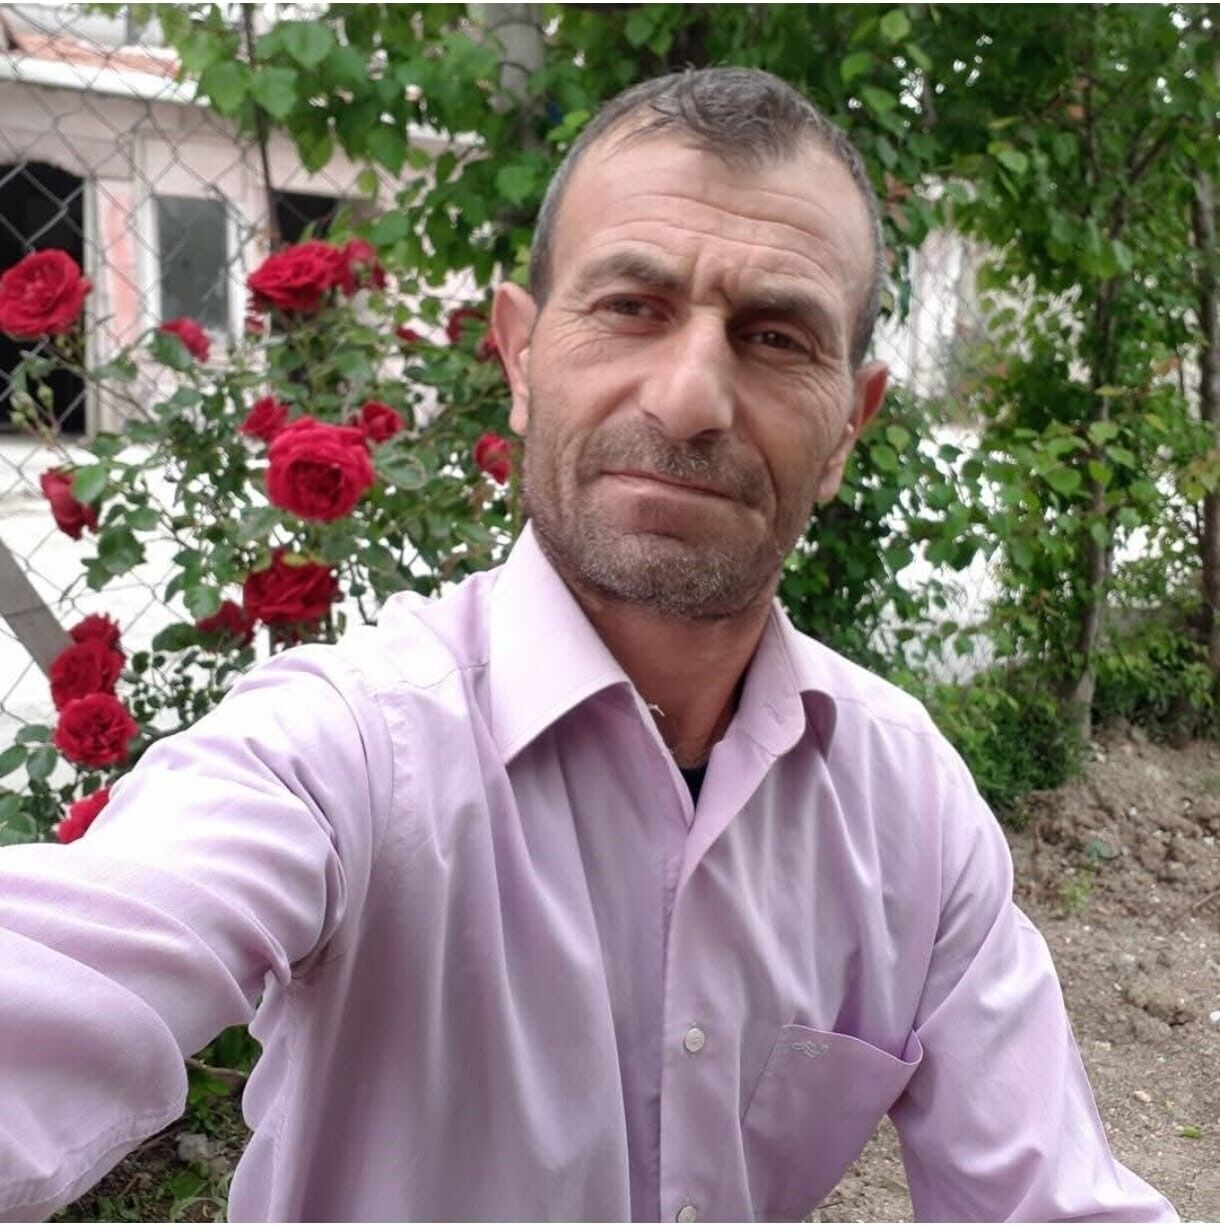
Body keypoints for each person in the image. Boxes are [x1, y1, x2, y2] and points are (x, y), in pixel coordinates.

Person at [0, 67, 1175, 1223]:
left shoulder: (905, 802)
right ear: (519, 357)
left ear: (845, 429)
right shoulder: (341, 751)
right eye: (630, 307)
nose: (688, 398)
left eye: (775, 337)